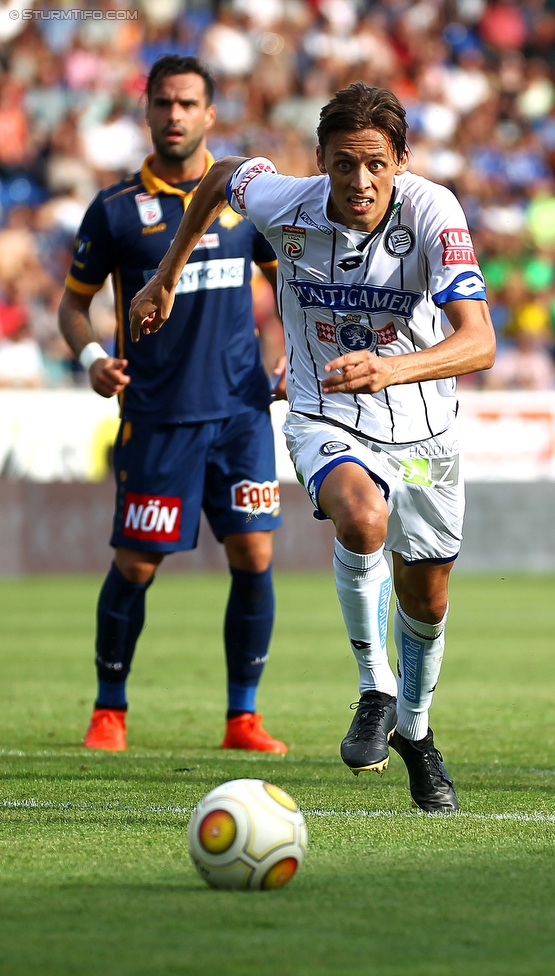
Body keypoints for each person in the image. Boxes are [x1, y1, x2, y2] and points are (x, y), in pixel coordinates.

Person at [129, 82, 496, 812]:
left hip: (424, 432)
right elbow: (218, 175)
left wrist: (389, 367)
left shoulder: (432, 212)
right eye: (341, 165)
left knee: (426, 598)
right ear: (319, 162)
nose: (359, 182)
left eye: (374, 165)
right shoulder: (284, 202)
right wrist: (164, 276)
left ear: (398, 162)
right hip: (326, 413)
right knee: (361, 519)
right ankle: (373, 689)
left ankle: (416, 735)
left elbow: (478, 341)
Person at [58, 55, 287, 755]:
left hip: (242, 412)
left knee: (253, 553)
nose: (175, 115)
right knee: (136, 564)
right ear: (148, 112)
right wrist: (94, 358)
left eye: (188, 103)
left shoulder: (250, 202)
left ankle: (242, 718)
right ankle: (110, 709)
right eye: (163, 103)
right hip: (158, 418)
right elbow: (73, 306)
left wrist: (285, 354)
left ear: (210, 114)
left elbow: (286, 291)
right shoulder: (117, 210)